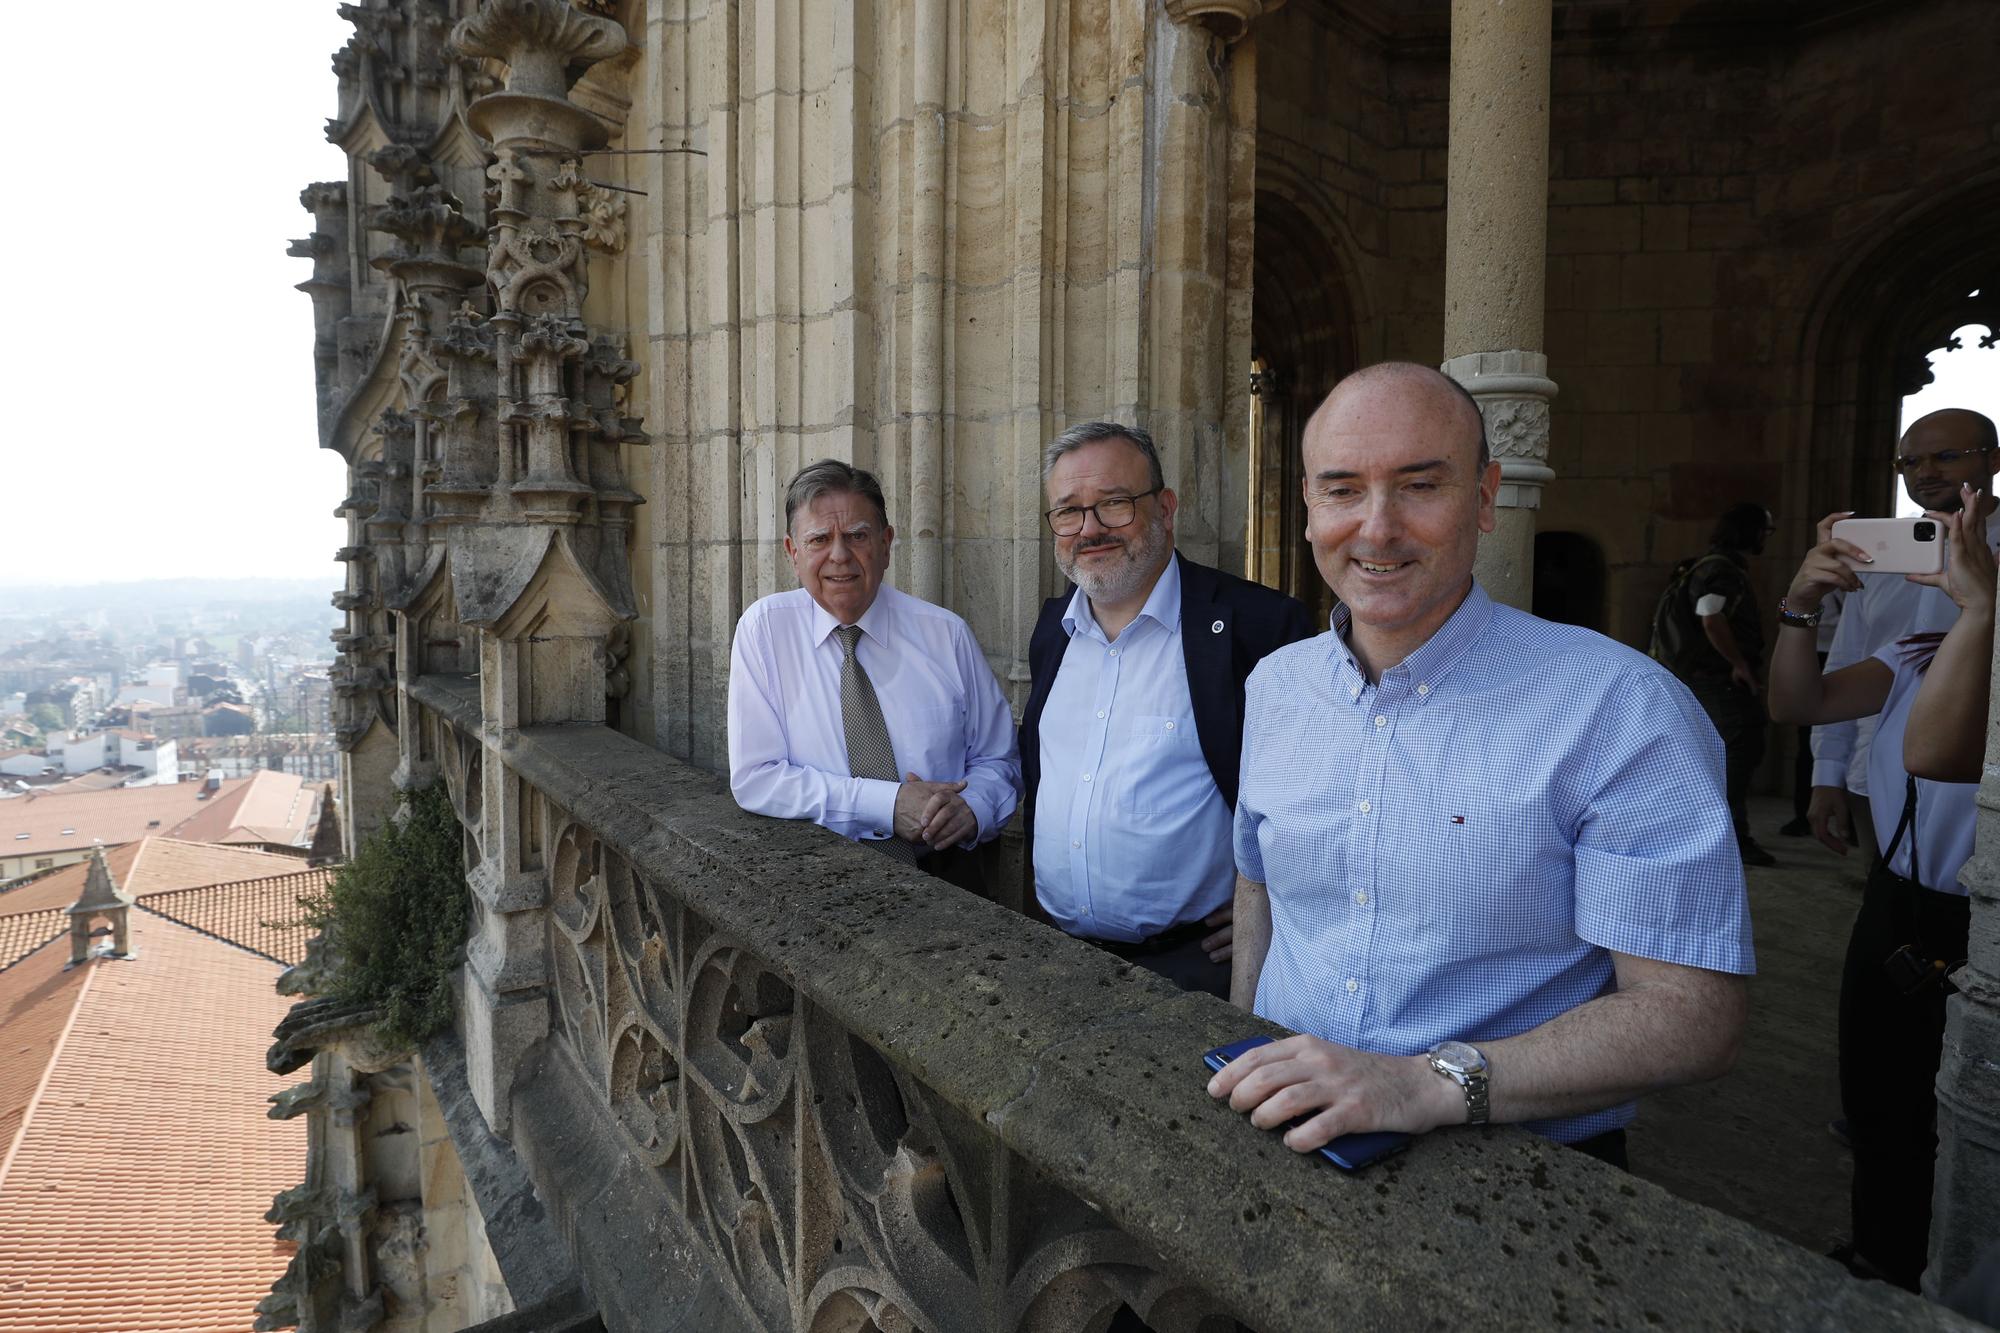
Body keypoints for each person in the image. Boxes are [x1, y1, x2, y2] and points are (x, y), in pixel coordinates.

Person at [1208, 362, 1754, 1168]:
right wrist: (1245, 1037)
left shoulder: (1618, 706)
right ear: (1309, 505)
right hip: (1285, 1136)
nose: (1377, 527)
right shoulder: (1276, 685)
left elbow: (1692, 1013)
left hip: (1515, 1172)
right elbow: (1259, 887)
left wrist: (1425, 1085)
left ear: (1487, 496)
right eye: (1343, 489)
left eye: (1420, 485)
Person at [1768, 484, 1993, 1291]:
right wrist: (1800, 607)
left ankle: (1946, 1279)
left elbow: (1936, 753)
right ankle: (1882, 1255)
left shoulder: (1974, 638)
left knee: (1963, 1115)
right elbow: (1799, 701)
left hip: (1982, 916)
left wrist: (1980, 616)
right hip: (1901, 899)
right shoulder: (1919, 649)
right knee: (1879, 1095)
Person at [1020, 423, 1311, 998]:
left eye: (1115, 505)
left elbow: (1317, 796)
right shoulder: (1054, 628)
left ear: (1166, 507)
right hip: (1055, 954)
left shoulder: (1258, 626)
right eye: (1069, 512)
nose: (1090, 528)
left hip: (1191, 972)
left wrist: (1278, 900)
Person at [727, 459, 1021, 879]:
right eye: (819, 539)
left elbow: (999, 760)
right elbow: (756, 778)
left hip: (947, 876)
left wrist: (973, 808)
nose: (839, 555)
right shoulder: (764, 630)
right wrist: (886, 804)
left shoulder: (945, 635)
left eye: (856, 536)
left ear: (885, 544)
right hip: (813, 878)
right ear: (793, 553)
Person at [1805, 408, 2000, 864]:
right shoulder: (1879, 549)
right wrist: (1827, 772)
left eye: (1947, 456)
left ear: (1994, 461)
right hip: (1875, 772)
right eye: (1909, 462)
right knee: (1890, 910)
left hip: (1978, 774)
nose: (1925, 472)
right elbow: (1846, 659)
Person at [1667, 501, 1778, 866]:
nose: (1768, 538)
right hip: (1715, 678)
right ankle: (1730, 836)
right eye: (1766, 529)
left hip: (1705, 676)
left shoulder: (1709, 565)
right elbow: (1710, 616)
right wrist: (1740, 664)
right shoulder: (1721, 570)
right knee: (1737, 748)